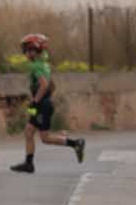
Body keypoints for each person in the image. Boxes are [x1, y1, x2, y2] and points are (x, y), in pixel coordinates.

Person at [10, 32, 86, 173]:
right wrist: (40, 102)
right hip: (44, 104)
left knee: (38, 135)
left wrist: (35, 102)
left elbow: (44, 85)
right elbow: (51, 86)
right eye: (25, 50)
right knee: (35, 135)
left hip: (41, 105)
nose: (26, 53)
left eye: (28, 50)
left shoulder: (35, 66)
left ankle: (75, 143)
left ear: (36, 49)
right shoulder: (44, 64)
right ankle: (29, 163)